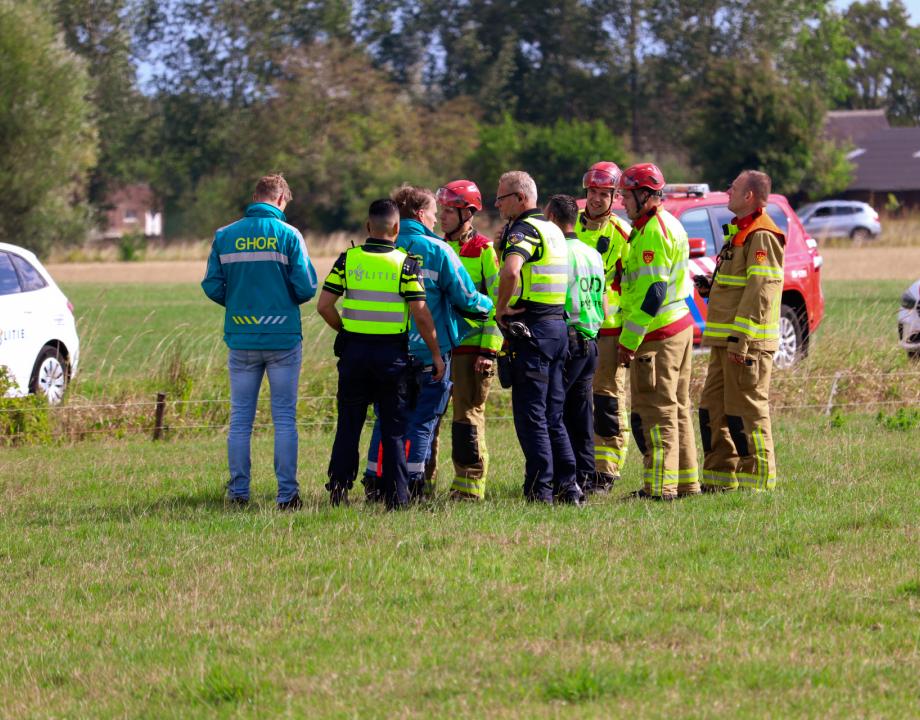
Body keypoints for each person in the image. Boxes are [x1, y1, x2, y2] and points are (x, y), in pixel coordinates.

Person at [362, 186, 492, 501]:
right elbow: (466, 297)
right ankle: (412, 483)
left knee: (387, 417)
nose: (436, 219)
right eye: (434, 212)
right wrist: (491, 307)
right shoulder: (438, 250)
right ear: (421, 214)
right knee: (422, 420)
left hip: (386, 350)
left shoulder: (380, 247)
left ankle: (376, 482)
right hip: (428, 352)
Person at [317, 199, 444, 509]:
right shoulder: (406, 263)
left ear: (367, 226)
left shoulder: (348, 260)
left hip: (354, 354)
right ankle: (396, 497)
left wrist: (347, 332)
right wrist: (436, 354)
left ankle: (338, 489)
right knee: (394, 427)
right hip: (392, 358)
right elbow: (421, 313)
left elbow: (324, 306)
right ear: (397, 228)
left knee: (349, 424)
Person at [201, 173, 318, 509]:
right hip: (283, 338)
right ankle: (286, 495)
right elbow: (307, 287)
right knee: (284, 417)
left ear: (256, 197)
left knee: (240, 419)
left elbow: (211, 284)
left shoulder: (225, 235)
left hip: (241, 337)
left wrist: (237, 303)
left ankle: (238, 493)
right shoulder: (289, 235)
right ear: (281, 199)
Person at [494, 171, 583, 505]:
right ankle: (568, 486)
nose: (497, 204)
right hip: (558, 327)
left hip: (533, 330)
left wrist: (501, 309)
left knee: (531, 415)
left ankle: (539, 491)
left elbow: (511, 270)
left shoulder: (525, 229)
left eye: (501, 198)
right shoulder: (554, 230)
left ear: (519, 197)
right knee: (553, 415)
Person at [696, 170, 785, 491]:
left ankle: (757, 482)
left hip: (746, 345)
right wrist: (712, 288)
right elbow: (740, 286)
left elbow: (762, 291)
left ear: (749, 196)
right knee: (712, 410)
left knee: (746, 411)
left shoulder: (762, 235)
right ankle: (720, 479)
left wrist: (742, 340)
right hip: (725, 343)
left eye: (732, 188)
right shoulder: (740, 232)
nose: (726, 191)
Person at [616, 163, 700, 500]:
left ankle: (660, 488)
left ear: (646, 196)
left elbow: (653, 293)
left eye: (626, 195)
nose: (622, 201)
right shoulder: (666, 224)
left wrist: (629, 340)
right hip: (678, 327)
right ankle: (686, 482)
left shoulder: (653, 231)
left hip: (658, 334)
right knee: (677, 407)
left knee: (656, 410)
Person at [435, 180, 502, 500]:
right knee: (429, 420)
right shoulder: (436, 247)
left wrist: (489, 350)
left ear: (468, 213)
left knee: (467, 419)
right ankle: (421, 482)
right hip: (439, 348)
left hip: (472, 350)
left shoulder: (484, 251)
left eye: (449, 210)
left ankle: (469, 486)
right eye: (441, 210)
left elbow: (500, 302)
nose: (442, 216)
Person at [575, 161, 633, 493]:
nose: (595, 200)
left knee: (607, 399)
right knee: (576, 398)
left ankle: (606, 471)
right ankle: (581, 465)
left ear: (615, 197)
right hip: (575, 327)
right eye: (592, 193)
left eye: (603, 194)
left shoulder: (624, 234)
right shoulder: (569, 228)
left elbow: (631, 283)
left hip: (609, 328)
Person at [545, 194, 607, 499]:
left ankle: (562, 481)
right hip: (591, 339)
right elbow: (603, 300)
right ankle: (586, 475)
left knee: (553, 413)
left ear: (554, 219)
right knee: (582, 415)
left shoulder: (558, 253)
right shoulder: (591, 253)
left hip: (567, 340)